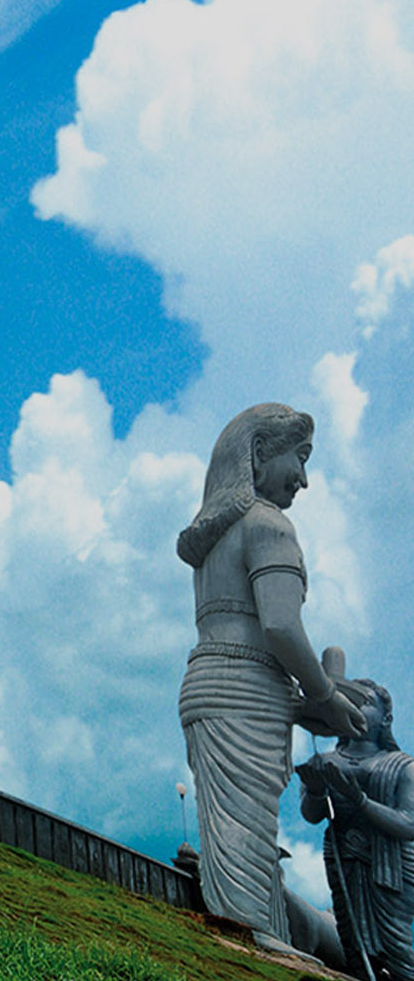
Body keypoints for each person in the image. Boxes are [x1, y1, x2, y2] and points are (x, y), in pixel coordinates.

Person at [176, 403, 364, 949]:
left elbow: (256, 641)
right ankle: (256, 938)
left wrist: (311, 699)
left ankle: (262, 933)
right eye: (299, 457)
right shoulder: (267, 524)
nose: (304, 479)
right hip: (244, 695)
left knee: (242, 835)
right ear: (258, 454)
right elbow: (280, 627)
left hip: (212, 684)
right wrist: (325, 695)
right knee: (246, 835)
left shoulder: (213, 542)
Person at [299, 678, 414, 979]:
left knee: (397, 944)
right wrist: (314, 791)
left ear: (386, 719)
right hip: (343, 857)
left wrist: (360, 800)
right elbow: (313, 815)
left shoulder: (401, 766)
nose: (354, 705)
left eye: (363, 701)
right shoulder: (324, 760)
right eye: (347, 699)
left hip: (391, 866)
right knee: (352, 939)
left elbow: (408, 824)